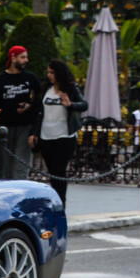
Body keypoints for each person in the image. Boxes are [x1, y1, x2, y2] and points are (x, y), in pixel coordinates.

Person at [29, 59, 88, 207]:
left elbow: (84, 105)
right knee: (52, 171)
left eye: (52, 72)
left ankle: (61, 203)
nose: (49, 75)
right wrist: (33, 133)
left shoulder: (71, 88)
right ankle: (55, 202)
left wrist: (70, 104)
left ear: (59, 73)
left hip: (64, 136)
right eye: (48, 72)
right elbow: (38, 113)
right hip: (46, 136)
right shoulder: (46, 90)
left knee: (59, 171)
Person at [0, 45, 42, 180]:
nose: (26, 60)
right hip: (5, 128)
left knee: (20, 166)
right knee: (5, 165)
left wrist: (29, 106)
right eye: (22, 57)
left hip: (25, 126)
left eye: (26, 57)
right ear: (13, 57)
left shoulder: (30, 78)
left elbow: (40, 98)